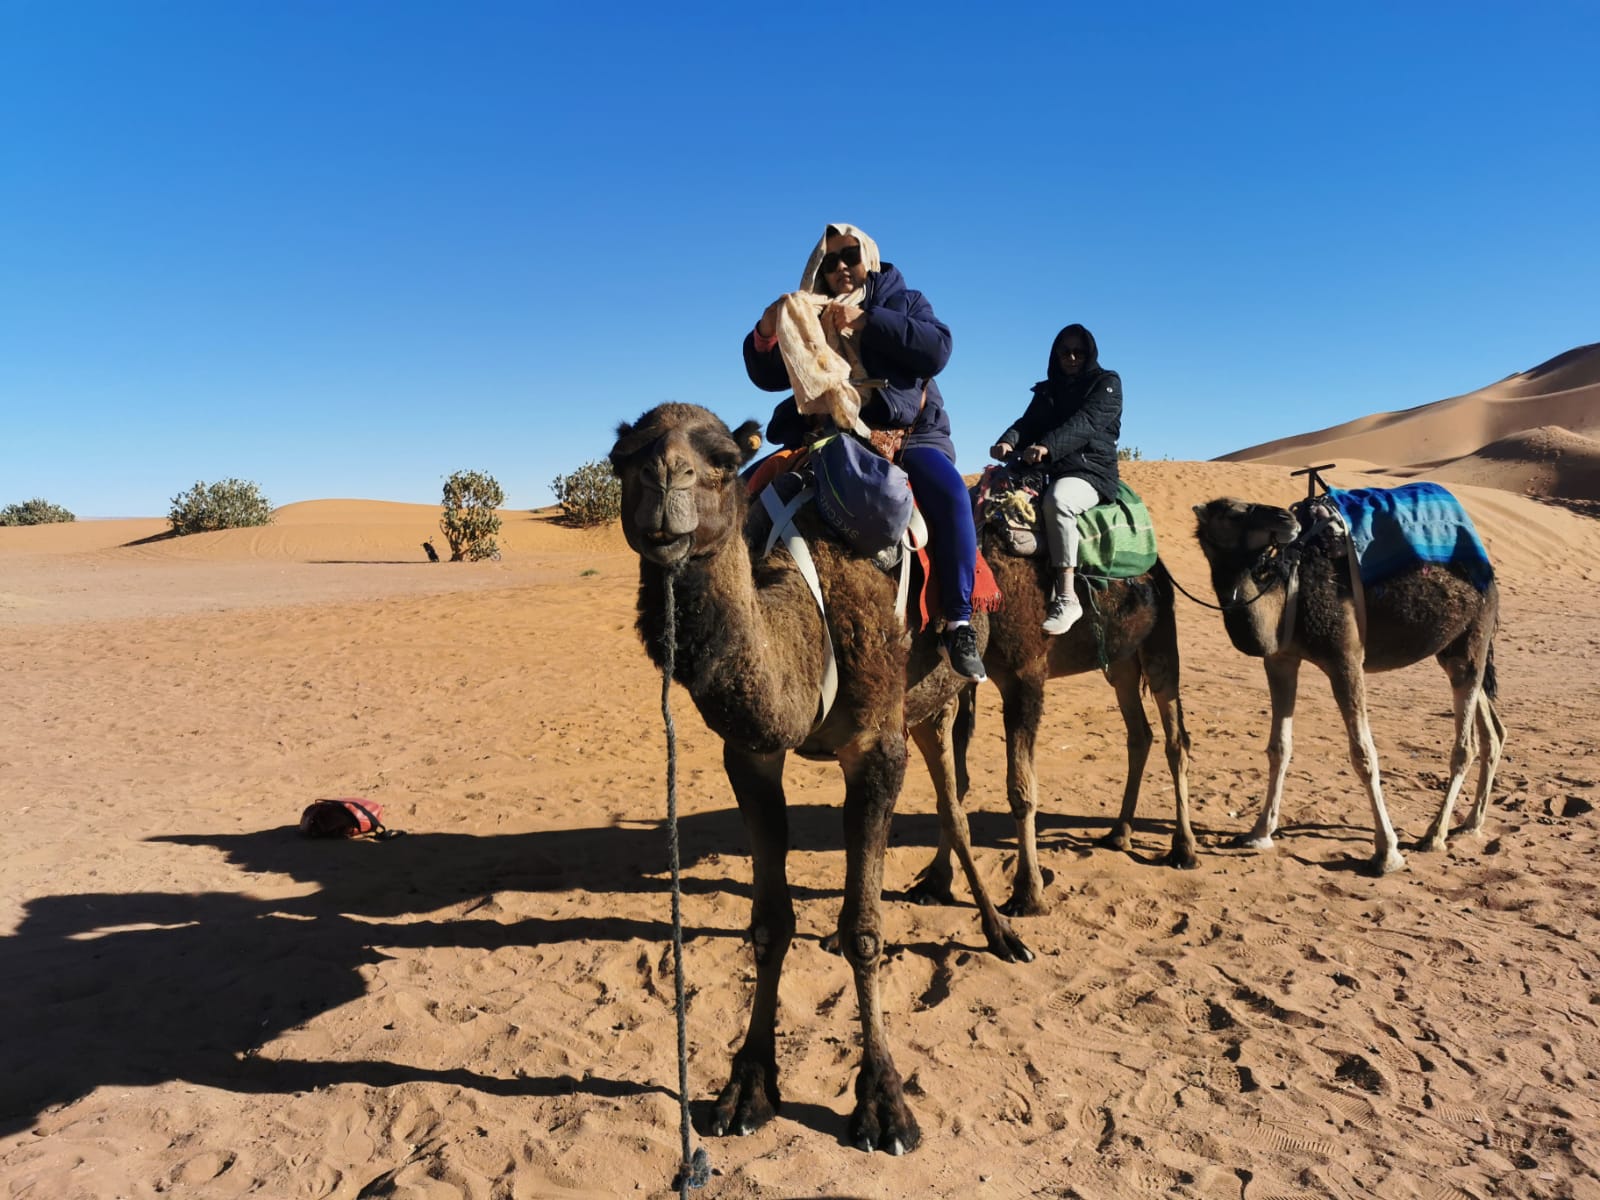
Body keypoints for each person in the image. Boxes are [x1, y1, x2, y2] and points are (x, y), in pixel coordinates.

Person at [744, 222, 987, 682]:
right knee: (748, 493)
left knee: (951, 493)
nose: (840, 268)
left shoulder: (906, 302)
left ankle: (958, 622)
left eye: (850, 256)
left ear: (869, 258)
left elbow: (936, 350)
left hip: (906, 434)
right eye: (829, 261)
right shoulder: (810, 313)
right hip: (832, 435)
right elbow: (769, 374)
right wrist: (766, 329)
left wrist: (867, 323)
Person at [990, 323, 1122, 636]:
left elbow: (1085, 423)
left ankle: (1067, 596)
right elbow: (1027, 422)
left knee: (1059, 502)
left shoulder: (1106, 383)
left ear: (1090, 353)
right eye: (1065, 352)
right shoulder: (1049, 390)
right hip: (1046, 469)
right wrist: (1008, 441)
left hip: (1089, 471)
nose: (1072, 357)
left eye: (1079, 352)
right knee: (986, 496)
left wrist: (1047, 446)